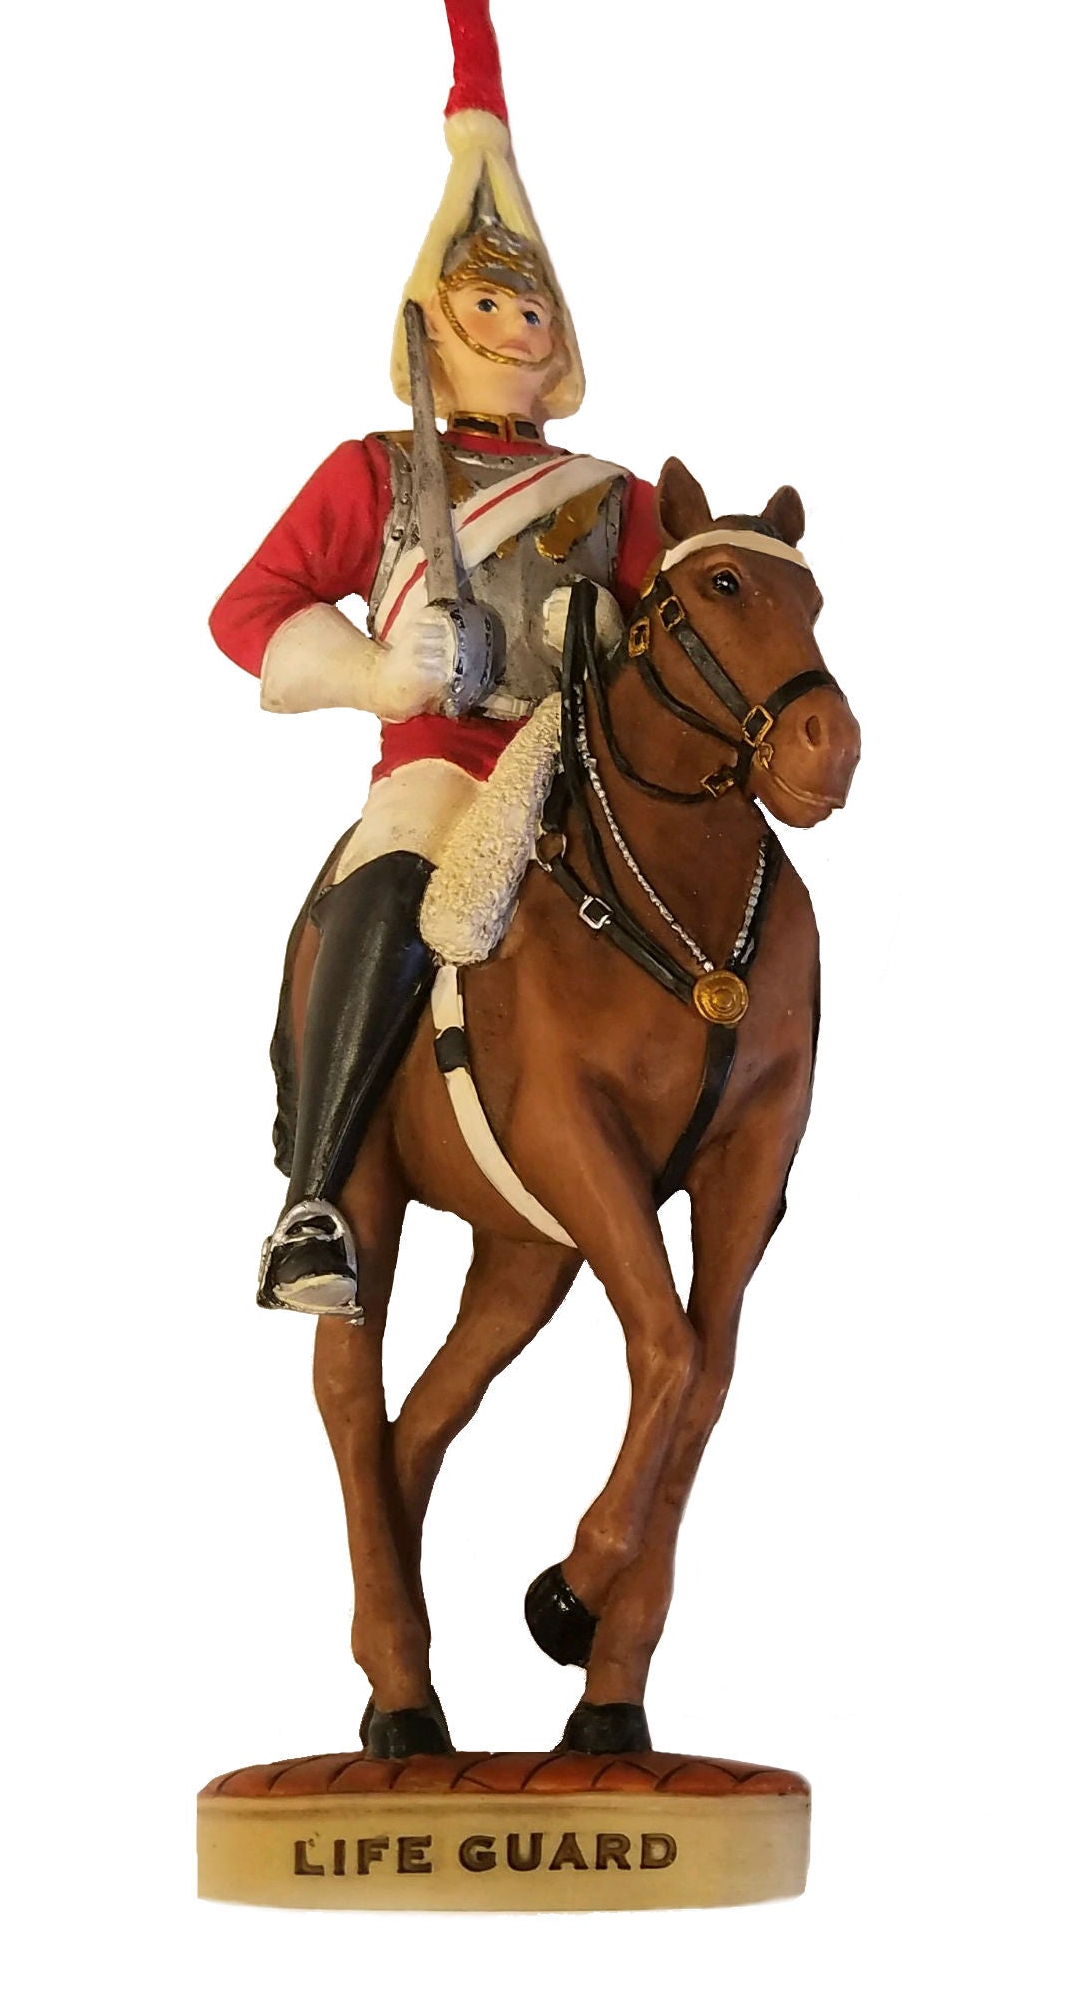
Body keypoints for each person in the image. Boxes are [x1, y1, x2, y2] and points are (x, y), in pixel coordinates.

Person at [210, 110, 665, 1316]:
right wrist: (376, 674)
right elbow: (248, 611)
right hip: (442, 765)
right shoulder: (377, 472)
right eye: (490, 305)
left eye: (534, 310)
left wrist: (610, 645)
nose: (518, 328)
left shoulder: (619, 499)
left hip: (576, 770)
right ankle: (315, 1198)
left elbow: (673, 646)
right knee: (390, 881)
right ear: (436, 324)